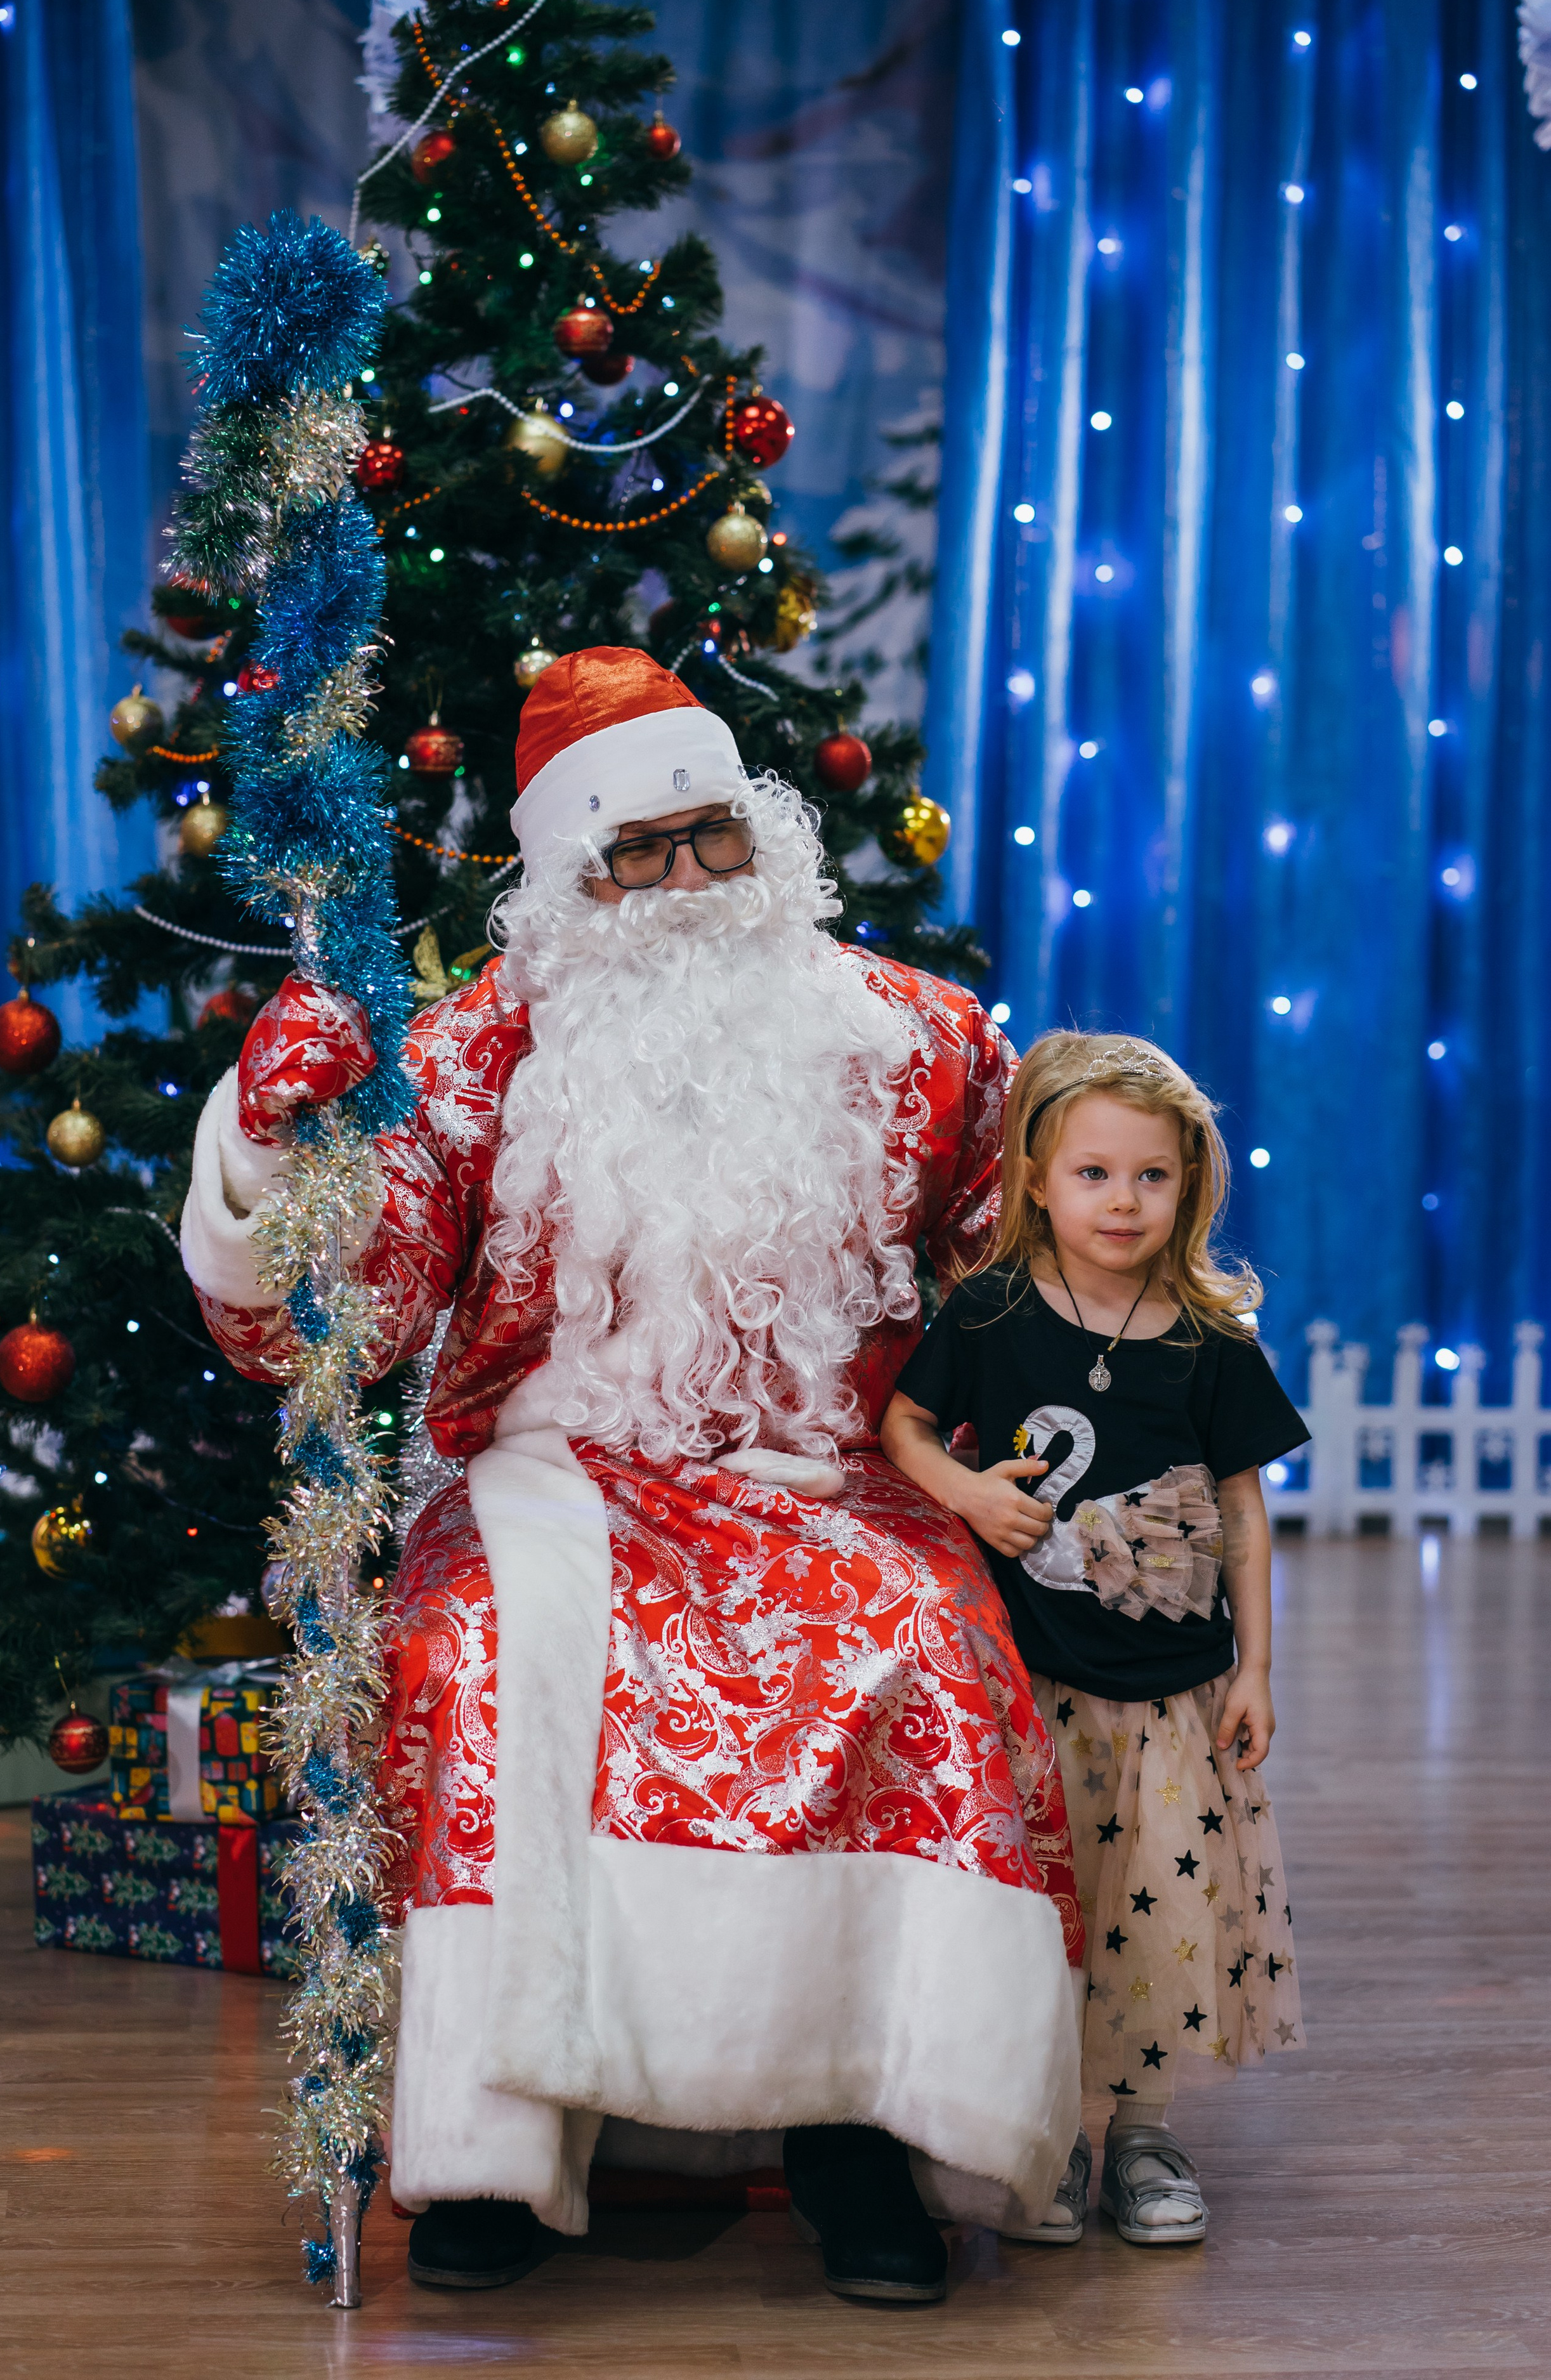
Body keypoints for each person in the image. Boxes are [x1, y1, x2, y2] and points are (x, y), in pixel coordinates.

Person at [180, 646, 1083, 2305]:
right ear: (566, 875)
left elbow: (1019, 1261)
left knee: (926, 1650)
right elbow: (343, 1322)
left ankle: (864, 2134)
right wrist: (269, 1143)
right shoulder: (471, 1054)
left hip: (837, 1481)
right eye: (635, 850)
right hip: (557, 1479)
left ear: (764, 833)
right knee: (475, 1658)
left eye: (710, 834)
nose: (683, 880)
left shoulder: (917, 1037)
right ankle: (499, 2143)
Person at [880, 1030, 1307, 2247]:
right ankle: (1054, 2128)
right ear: (1038, 1180)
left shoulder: (1209, 1338)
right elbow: (907, 1427)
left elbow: (1240, 1511)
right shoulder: (994, 1311)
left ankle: (1143, 2135)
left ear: (1190, 1186)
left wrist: (1256, 1669)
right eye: (1094, 1174)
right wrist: (968, 1495)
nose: (1123, 1202)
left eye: (1151, 1177)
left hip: (1173, 1697)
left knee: (1155, 1917)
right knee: (1050, 1910)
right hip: (1034, 1688)